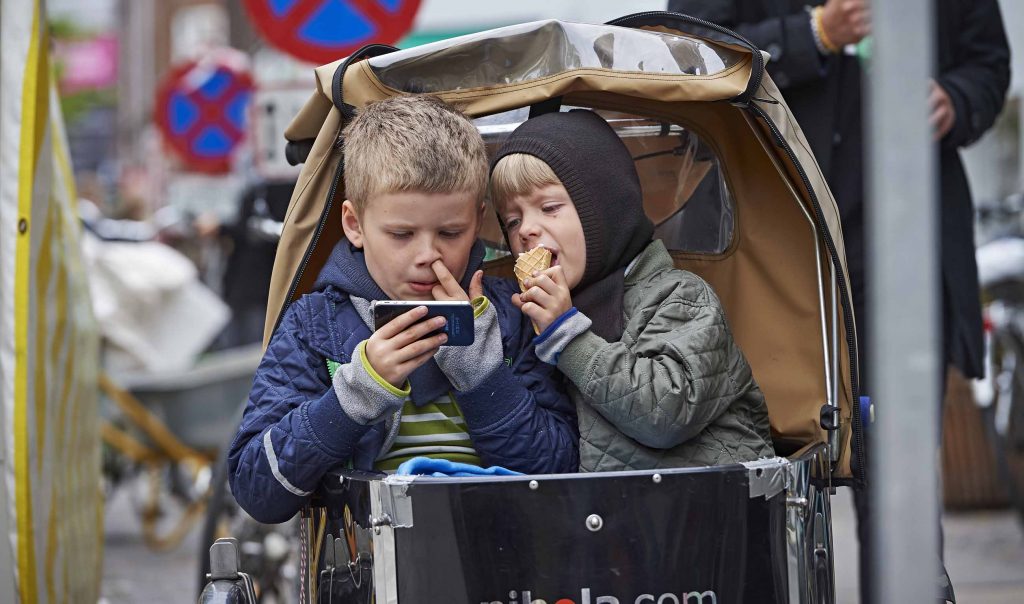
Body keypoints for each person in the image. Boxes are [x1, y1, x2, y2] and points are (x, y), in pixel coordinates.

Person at [666, 2, 1011, 602]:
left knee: (899, 470)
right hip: (768, 247)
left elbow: (988, 63)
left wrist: (955, 100)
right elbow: (684, 54)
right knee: (761, 468)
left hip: (905, 247)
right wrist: (812, 35)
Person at [228, 95, 579, 523]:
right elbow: (256, 488)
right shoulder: (313, 324)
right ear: (354, 225)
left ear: (478, 220)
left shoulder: (514, 315)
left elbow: (560, 475)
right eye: (401, 234)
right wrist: (357, 392)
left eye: (451, 232)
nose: (427, 255)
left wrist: (484, 377)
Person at [489, 109, 774, 471]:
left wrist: (569, 337)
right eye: (513, 220)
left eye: (548, 207)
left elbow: (667, 413)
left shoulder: (679, 297)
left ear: (603, 210)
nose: (527, 229)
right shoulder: (534, 317)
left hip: (705, 508)